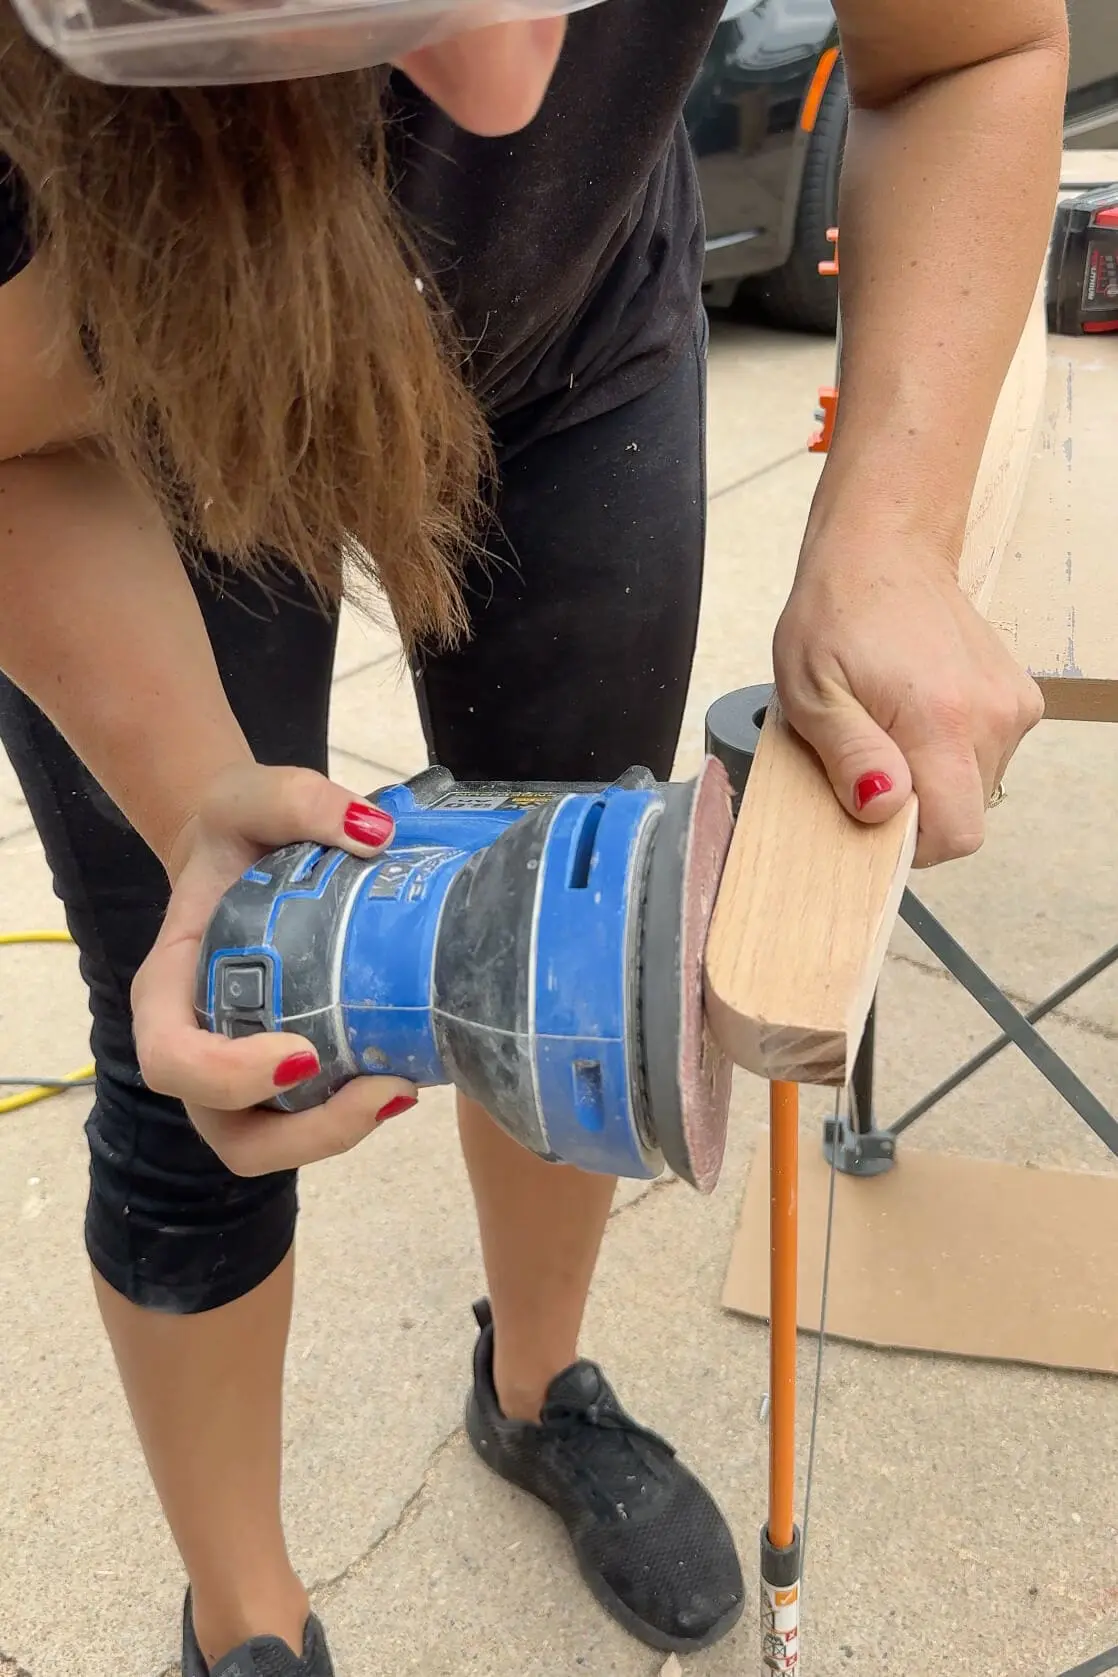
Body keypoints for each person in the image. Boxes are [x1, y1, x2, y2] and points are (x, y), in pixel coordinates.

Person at [0, 0, 1065, 1669]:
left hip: (566, 338)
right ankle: (245, 1619)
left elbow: (970, 50)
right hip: (121, 415)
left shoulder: (523, 108)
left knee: (594, 944)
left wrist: (893, 530)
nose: (513, 89)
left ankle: (535, 1387)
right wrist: (190, 788)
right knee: (212, 1014)